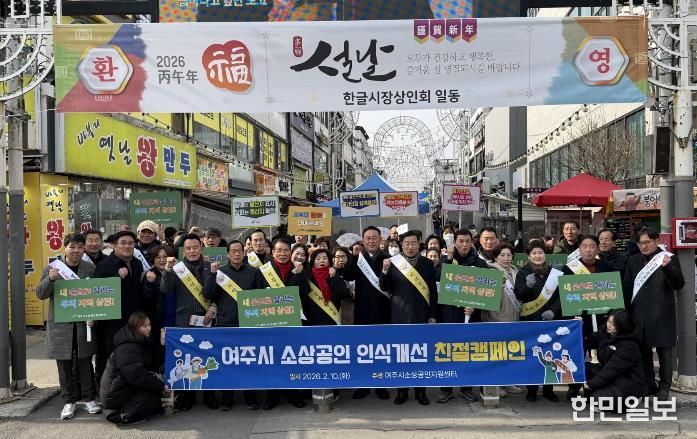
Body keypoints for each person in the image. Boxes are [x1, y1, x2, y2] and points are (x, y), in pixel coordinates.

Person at [36, 233, 101, 420]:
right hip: (61, 325)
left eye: (80, 247)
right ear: (65, 248)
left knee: (85, 362)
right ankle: (69, 401)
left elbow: (96, 295)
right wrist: (50, 279)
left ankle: (89, 399)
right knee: (64, 365)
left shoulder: (90, 268)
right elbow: (40, 294)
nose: (76, 251)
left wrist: (94, 318)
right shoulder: (53, 268)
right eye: (72, 247)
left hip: (83, 324)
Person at [204, 240, 265, 411]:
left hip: (249, 323)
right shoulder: (220, 272)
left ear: (244, 252)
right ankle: (227, 400)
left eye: (239, 251)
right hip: (226, 323)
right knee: (227, 363)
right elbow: (208, 294)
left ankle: (251, 398)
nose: (237, 254)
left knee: (248, 362)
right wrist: (212, 275)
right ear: (228, 254)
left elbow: (262, 297)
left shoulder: (254, 272)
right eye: (233, 251)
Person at [623, 228, 684, 400]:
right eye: (640, 243)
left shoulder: (668, 258)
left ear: (657, 241)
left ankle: (665, 386)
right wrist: (626, 312)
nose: (643, 246)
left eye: (647, 242)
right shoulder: (633, 260)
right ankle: (648, 384)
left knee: (664, 353)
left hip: (661, 313)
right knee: (643, 353)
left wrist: (667, 268)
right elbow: (627, 287)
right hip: (639, 315)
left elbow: (679, 284)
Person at [381, 230, 438, 406]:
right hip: (400, 316)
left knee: (420, 356)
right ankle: (402, 391)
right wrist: (384, 270)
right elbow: (384, 286)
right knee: (401, 356)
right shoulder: (394, 262)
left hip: (421, 315)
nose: (410, 247)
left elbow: (433, 292)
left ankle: (421, 392)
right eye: (407, 243)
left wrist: (432, 315)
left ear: (419, 244)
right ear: (401, 245)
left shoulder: (428, 264)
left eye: (413, 243)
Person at [162, 233, 218, 411]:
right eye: (188, 248)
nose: (192, 251)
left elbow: (218, 293)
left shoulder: (211, 266)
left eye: (195, 247)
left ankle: (209, 395)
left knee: (206, 356)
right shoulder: (177, 268)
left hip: (207, 318)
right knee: (186, 359)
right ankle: (187, 397)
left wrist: (213, 307)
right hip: (184, 320)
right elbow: (165, 288)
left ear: (201, 248)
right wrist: (167, 270)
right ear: (183, 250)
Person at [559, 235, 615, 400]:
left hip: (601, 319)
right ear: (579, 249)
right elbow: (564, 295)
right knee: (577, 354)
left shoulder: (607, 267)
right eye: (584, 246)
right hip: (579, 320)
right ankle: (574, 387)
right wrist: (572, 314)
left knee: (600, 356)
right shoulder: (569, 268)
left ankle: (595, 388)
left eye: (592, 246)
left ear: (597, 249)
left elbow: (612, 293)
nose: (588, 250)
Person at [437, 229, 489, 404]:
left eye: (467, 241)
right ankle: (446, 389)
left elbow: (487, 291)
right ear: (455, 243)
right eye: (461, 241)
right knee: (447, 352)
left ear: (472, 242)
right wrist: (448, 258)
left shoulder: (480, 263)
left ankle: (466, 388)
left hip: (470, 316)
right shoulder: (447, 259)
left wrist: (475, 305)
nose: (464, 245)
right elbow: (437, 279)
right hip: (449, 314)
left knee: (468, 353)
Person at [261, 236, 311, 410]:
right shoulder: (264, 270)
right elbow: (254, 295)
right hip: (270, 322)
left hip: (293, 321)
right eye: (279, 250)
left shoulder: (298, 269)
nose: (282, 254)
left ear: (290, 252)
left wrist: (299, 275)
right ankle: (272, 396)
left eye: (285, 250)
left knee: (292, 358)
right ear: (273, 252)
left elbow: (306, 292)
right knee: (272, 359)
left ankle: (293, 395)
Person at [94, 230, 148, 387]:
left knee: (132, 358)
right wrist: (117, 278)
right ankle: (106, 392)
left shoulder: (137, 263)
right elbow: (97, 293)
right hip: (112, 323)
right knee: (110, 360)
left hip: (133, 321)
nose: (127, 246)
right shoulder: (104, 265)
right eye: (123, 243)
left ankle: (129, 390)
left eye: (130, 243)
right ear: (114, 245)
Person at [343, 226, 391, 401]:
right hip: (362, 310)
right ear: (363, 241)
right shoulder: (359, 259)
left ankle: (381, 386)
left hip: (383, 310)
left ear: (380, 240)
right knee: (363, 350)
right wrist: (353, 256)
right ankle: (363, 385)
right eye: (368, 238)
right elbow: (347, 275)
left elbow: (391, 284)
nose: (371, 241)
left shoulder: (388, 259)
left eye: (374, 238)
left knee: (381, 351)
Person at [514, 239, 561, 403]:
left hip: (550, 320)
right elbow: (518, 295)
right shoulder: (522, 273)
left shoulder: (554, 273)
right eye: (534, 253)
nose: (537, 256)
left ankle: (549, 390)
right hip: (530, 320)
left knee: (551, 354)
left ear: (545, 254)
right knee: (533, 355)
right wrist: (527, 286)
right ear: (528, 256)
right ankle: (532, 390)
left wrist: (553, 310)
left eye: (540, 252)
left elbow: (561, 296)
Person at [101, 312, 165, 424]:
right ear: (135, 327)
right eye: (144, 326)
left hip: (123, 387)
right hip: (113, 395)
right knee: (153, 398)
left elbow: (154, 363)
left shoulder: (139, 341)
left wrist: (162, 344)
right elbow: (137, 376)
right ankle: (121, 415)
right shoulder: (128, 347)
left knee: (155, 397)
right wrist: (162, 386)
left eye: (149, 325)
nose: (149, 328)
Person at [482, 242, 524, 396]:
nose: (506, 258)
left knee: (509, 354)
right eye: (502, 255)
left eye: (509, 255)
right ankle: (495, 384)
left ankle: (508, 382)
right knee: (496, 355)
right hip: (496, 319)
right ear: (495, 257)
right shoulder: (490, 272)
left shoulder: (516, 272)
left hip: (514, 319)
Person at [583, 310, 645, 401]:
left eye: (613, 324)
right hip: (615, 378)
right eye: (608, 321)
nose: (609, 325)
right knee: (585, 368)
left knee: (595, 398)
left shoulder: (629, 346)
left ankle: (632, 400)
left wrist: (591, 384)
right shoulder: (606, 333)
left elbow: (611, 369)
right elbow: (589, 339)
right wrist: (581, 323)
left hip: (628, 385)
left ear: (622, 325)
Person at [303, 248, 351, 326]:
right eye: (318, 259)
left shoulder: (334, 275)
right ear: (313, 262)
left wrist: (333, 278)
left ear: (329, 261)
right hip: (312, 320)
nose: (322, 260)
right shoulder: (308, 277)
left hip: (331, 319)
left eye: (325, 258)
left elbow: (343, 293)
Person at [142, 245, 177, 339]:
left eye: (165, 257)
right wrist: (150, 283)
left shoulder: (179, 272)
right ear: (153, 259)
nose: (162, 260)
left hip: (176, 317)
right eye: (158, 257)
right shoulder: (149, 274)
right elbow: (146, 301)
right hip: (158, 319)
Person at [333, 247, 355, 325]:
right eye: (338, 257)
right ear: (333, 259)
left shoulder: (352, 271)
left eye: (343, 256)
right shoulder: (331, 272)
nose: (340, 259)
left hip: (350, 307)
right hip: (333, 308)